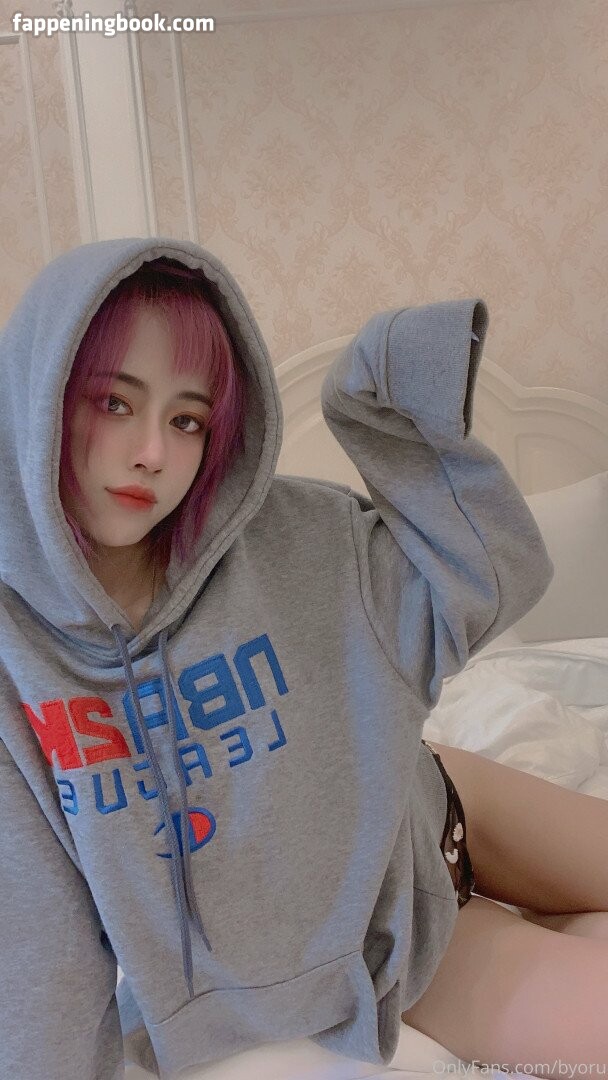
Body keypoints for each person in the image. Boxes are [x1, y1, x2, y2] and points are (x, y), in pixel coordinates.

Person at [0, 236, 604, 1080]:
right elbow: (40, 958)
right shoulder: (16, 663)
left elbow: (494, 578)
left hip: (443, 801)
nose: (152, 453)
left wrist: (389, 422)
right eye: (113, 402)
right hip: (400, 953)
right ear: (40, 400)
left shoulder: (295, 537)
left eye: (186, 419)